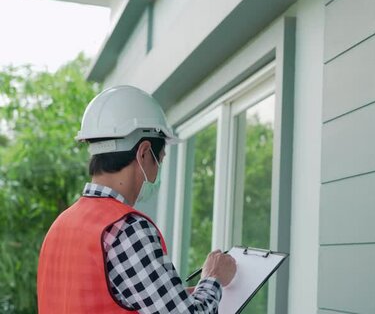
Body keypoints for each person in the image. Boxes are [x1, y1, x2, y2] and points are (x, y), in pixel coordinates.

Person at [37, 85, 236, 313]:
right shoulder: (126, 229)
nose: (158, 169)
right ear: (143, 152)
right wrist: (213, 279)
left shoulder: (60, 225)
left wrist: (178, 295)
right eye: (159, 159)